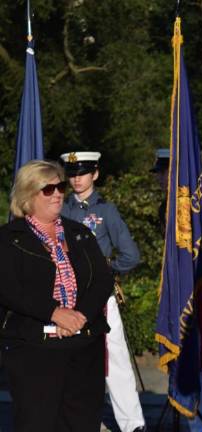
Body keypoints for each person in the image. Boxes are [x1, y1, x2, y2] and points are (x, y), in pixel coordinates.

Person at [0, 160, 114, 431]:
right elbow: (8, 288)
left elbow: (102, 279)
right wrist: (54, 312)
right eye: (48, 189)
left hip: (84, 345)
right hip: (34, 350)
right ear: (28, 196)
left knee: (83, 423)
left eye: (60, 186)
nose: (59, 193)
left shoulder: (80, 233)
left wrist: (79, 316)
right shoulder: (9, 238)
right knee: (38, 422)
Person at [59, 151, 146, 432]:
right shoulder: (60, 208)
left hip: (100, 299)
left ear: (95, 174)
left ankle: (132, 424)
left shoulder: (106, 211)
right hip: (66, 298)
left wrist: (104, 273)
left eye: (82, 173)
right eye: (71, 173)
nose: (76, 179)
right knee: (69, 361)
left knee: (115, 360)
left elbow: (131, 256)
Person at [151, 148, 202, 432]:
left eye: (166, 173)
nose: (162, 180)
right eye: (161, 174)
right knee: (189, 365)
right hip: (186, 301)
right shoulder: (165, 210)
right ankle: (200, 426)